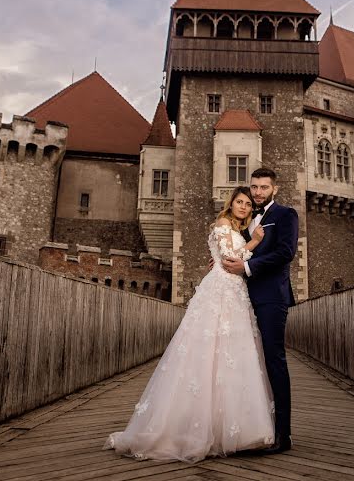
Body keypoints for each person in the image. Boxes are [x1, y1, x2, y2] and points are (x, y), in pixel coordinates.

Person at [105, 186, 275, 462]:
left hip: (234, 291)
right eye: (239, 202)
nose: (243, 206)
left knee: (231, 353)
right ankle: (208, 429)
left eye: (247, 204)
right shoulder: (222, 223)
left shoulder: (235, 228)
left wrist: (245, 243)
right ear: (230, 203)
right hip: (221, 289)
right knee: (210, 350)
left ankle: (235, 430)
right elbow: (230, 258)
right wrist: (254, 242)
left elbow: (227, 256)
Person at [221, 167, 298, 455]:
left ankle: (283, 434)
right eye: (254, 187)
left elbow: (285, 253)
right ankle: (254, 428)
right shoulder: (247, 220)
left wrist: (247, 267)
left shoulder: (285, 215)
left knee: (274, 360)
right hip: (242, 297)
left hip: (270, 298)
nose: (257, 192)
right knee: (248, 362)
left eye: (264, 187)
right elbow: (236, 249)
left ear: (274, 189)